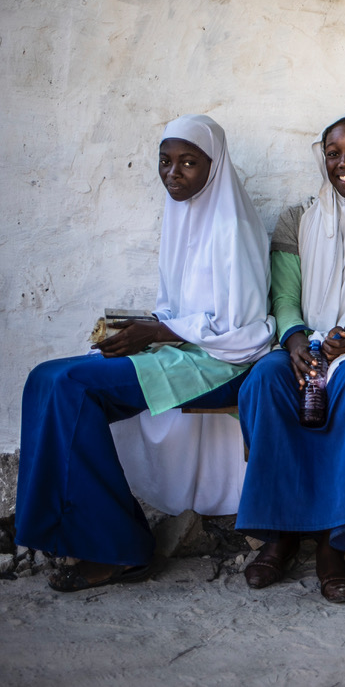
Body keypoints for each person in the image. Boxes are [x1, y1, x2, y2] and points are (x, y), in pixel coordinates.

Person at [16, 114, 275, 592]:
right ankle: (62, 526)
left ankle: (118, 549)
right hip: (182, 354)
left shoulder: (231, 225)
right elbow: (179, 311)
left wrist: (158, 330)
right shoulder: (182, 215)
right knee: (46, 379)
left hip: (223, 363)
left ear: (213, 168)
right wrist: (144, 331)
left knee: (70, 385)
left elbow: (244, 332)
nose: (173, 173)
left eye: (188, 162)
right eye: (166, 161)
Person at [235, 114, 345, 604]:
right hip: (307, 343)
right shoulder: (296, 219)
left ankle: (332, 545)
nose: (344, 163)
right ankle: (279, 536)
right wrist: (295, 339)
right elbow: (285, 298)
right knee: (265, 379)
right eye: (333, 153)